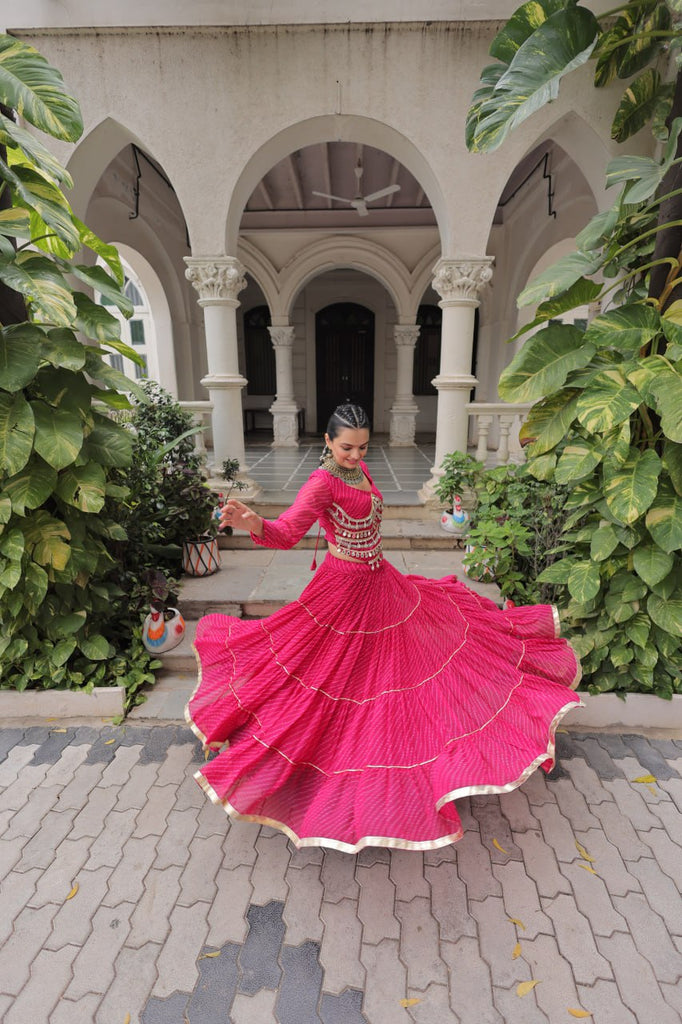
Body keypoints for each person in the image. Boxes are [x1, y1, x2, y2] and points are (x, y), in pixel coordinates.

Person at [185, 404, 582, 852]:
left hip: (380, 583)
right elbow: (290, 531)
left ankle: (435, 756)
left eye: (363, 447)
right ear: (328, 443)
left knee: (417, 660)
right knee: (331, 680)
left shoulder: (359, 470)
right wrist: (253, 521)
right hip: (342, 591)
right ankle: (332, 778)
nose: (356, 456)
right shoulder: (321, 482)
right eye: (347, 447)